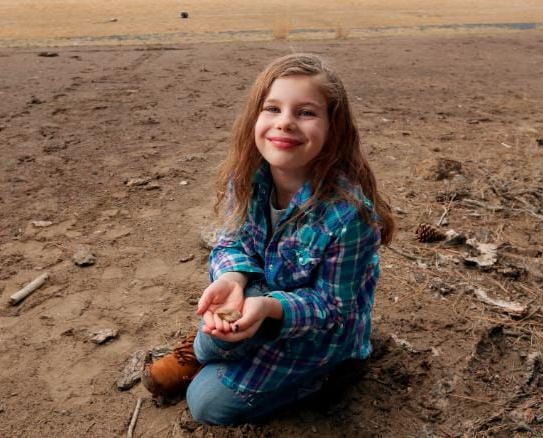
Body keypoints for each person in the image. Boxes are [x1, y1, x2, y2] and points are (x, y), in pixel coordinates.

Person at [142, 53, 395, 425]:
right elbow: (232, 243)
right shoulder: (246, 177)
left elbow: (332, 308)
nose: (286, 123)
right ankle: (208, 351)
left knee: (206, 403)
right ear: (255, 119)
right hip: (262, 298)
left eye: (306, 113)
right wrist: (232, 278)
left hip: (321, 334)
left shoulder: (349, 215)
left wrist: (268, 308)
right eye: (272, 108)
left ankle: (331, 373)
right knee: (214, 337)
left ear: (334, 129)